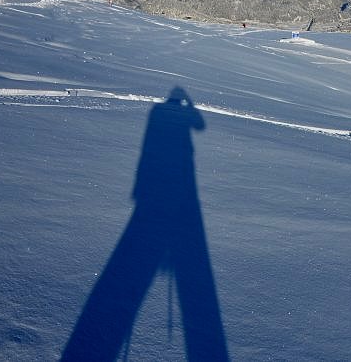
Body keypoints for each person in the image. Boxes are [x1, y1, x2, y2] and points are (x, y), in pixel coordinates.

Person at [62, 87, 228, 361]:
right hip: (170, 194)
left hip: (149, 193)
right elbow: (200, 124)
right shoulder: (172, 118)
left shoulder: (157, 114)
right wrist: (190, 106)